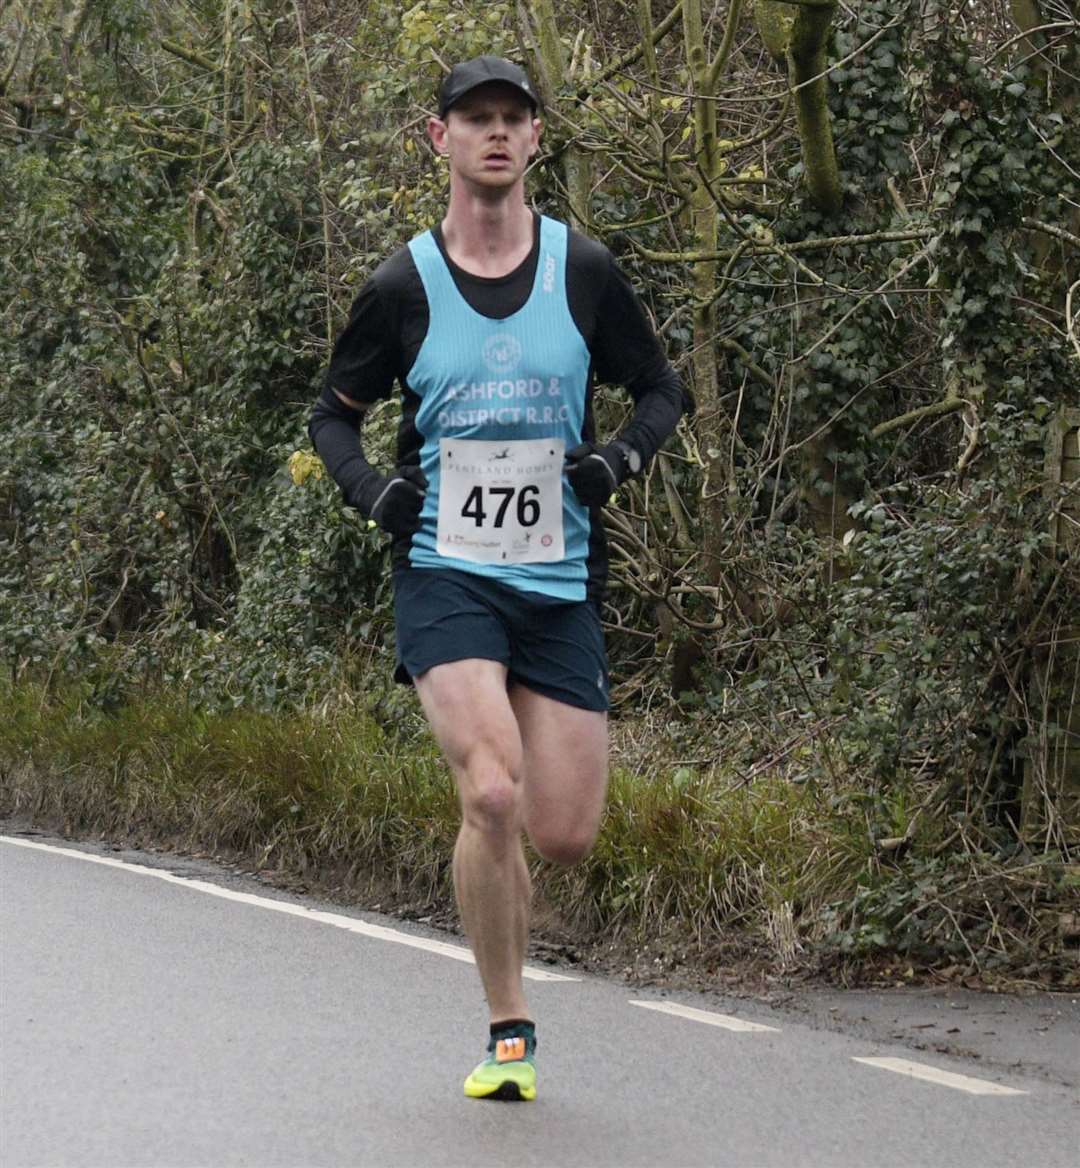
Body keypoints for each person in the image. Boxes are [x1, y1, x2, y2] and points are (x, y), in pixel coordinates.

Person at [309, 55, 688, 1101]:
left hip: (558, 578)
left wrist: (614, 461)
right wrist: (378, 494)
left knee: (561, 833)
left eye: (512, 119)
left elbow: (663, 391)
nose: (494, 134)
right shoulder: (401, 287)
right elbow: (330, 417)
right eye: (474, 118)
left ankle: (499, 879)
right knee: (492, 790)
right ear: (438, 138)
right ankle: (507, 1026)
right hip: (446, 572)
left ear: (534, 139)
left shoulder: (585, 273)